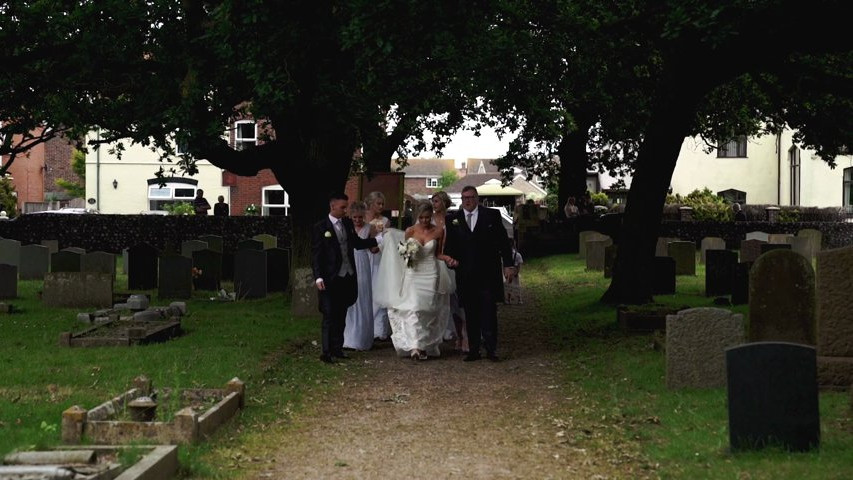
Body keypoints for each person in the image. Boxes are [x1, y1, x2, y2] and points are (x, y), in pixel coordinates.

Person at [374, 201, 455, 360]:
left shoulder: (439, 231)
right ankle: (415, 346)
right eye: (422, 217)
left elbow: (438, 253)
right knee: (414, 307)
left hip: (431, 272)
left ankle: (424, 344)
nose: (425, 220)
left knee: (428, 310)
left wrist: (448, 258)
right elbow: (404, 254)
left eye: (427, 217)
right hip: (414, 273)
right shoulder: (410, 231)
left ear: (431, 215)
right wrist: (408, 255)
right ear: (417, 216)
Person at [444, 185, 516, 362]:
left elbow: (503, 243)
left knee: (489, 311)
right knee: (470, 312)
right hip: (466, 273)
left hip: (488, 272)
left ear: (477, 198)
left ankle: (491, 349)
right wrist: (450, 260)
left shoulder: (491, 216)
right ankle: (474, 349)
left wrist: (508, 265)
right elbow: (450, 246)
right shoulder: (454, 219)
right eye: (464, 198)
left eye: (471, 197)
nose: (468, 201)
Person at [312, 193, 379, 363]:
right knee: (329, 314)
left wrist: (376, 240)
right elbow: (316, 255)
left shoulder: (347, 224)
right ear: (332, 206)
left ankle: (338, 348)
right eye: (342, 207)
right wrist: (318, 277)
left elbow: (356, 243)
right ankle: (326, 352)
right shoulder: (321, 227)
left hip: (346, 276)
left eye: (346, 207)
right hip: (329, 278)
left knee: (341, 314)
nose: (345, 211)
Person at [432, 191, 467, 352]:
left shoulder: (453, 218)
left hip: (451, 260)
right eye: (433, 201)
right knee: (438, 300)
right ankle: (437, 334)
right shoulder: (428, 219)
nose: (434, 204)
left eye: (437, 201)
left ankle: (463, 335)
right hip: (434, 261)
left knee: (456, 300)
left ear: (445, 202)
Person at [342, 201, 374, 351]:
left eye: (360, 217)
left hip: (362, 261)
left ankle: (362, 337)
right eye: (354, 217)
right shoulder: (347, 227)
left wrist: (380, 239)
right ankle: (349, 336)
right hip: (349, 260)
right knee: (349, 298)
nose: (357, 220)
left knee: (362, 296)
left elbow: (374, 249)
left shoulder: (370, 228)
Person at [365, 191, 392, 341]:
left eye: (382, 204)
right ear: (370, 204)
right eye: (378, 204)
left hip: (379, 257)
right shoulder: (362, 218)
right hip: (365, 255)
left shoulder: (385, 221)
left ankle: (379, 329)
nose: (381, 207)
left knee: (378, 290)